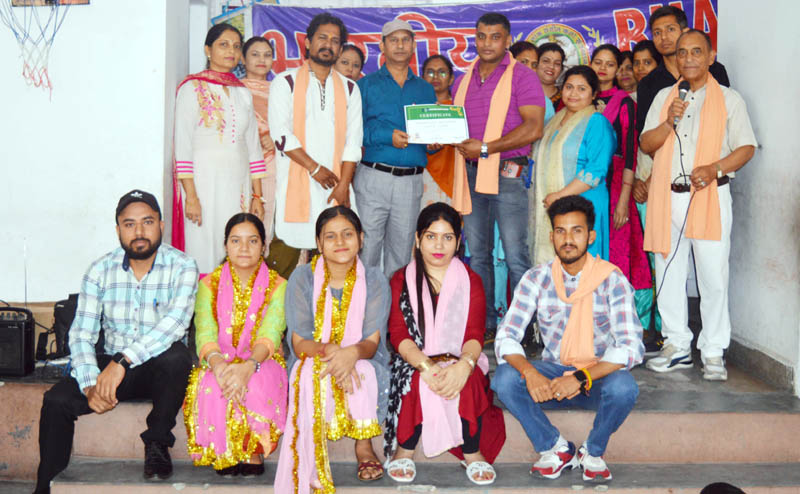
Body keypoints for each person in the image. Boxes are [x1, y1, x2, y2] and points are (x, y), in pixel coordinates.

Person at [34, 190, 198, 494]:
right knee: (55, 401)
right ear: (118, 229)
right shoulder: (100, 269)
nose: (139, 232)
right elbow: (81, 333)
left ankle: (158, 442)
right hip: (111, 369)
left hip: (158, 371)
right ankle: (45, 487)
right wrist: (89, 384)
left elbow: (174, 325)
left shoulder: (183, 266)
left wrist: (122, 361)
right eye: (129, 224)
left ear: (161, 224)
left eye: (147, 222)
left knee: (178, 356)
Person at [492, 195, 643, 483]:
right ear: (551, 237)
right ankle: (555, 447)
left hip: (595, 380)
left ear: (591, 236)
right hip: (551, 382)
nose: (568, 239)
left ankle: (593, 452)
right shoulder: (537, 278)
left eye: (577, 231)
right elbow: (506, 337)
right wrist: (530, 373)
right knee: (504, 378)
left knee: (624, 387)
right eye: (561, 231)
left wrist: (582, 377)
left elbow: (630, 347)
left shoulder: (612, 280)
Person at [640, 30, 757, 380]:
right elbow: (647, 144)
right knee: (669, 274)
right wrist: (669, 120)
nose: (688, 58)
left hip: (710, 194)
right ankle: (677, 346)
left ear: (710, 57)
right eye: (681, 53)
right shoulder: (665, 96)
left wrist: (716, 168)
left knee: (713, 277)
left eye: (696, 52)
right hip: (667, 198)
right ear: (675, 59)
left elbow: (746, 147)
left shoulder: (729, 99)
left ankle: (713, 350)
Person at [383, 203, 505, 486]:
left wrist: (464, 365)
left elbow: (475, 333)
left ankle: (472, 453)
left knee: (471, 378)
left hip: (458, 356)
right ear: (417, 239)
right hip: (415, 359)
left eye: (448, 237)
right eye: (431, 236)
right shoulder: (402, 279)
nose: (439, 245)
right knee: (414, 380)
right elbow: (398, 334)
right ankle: (406, 449)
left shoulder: (471, 280)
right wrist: (425, 366)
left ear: (459, 241)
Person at [274, 206, 391, 492]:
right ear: (318, 243)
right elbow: (300, 343)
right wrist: (335, 352)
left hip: (364, 357)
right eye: (330, 236)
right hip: (314, 355)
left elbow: (371, 342)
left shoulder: (375, 280)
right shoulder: (301, 279)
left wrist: (350, 354)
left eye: (348, 234)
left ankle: (364, 446)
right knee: (311, 370)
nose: (340, 243)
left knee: (362, 369)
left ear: (361, 239)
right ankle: (312, 450)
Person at [450, 12, 546, 334]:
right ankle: (487, 325)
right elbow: (456, 129)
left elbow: (533, 128)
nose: (487, 43)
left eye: (494, 37)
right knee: (478, 256)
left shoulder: (522, 76)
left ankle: (523, 329)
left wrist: (488, 148)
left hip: (507, 175)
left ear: (507, 40)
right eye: (481, 36)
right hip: (471, 174)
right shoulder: (462, 80)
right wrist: (441, 137)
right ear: (474, 39)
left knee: (517, 256)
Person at [184, 213, 288, 476]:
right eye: (236, 241)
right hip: (219, 358)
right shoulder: (208, 285)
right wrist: (218, 365)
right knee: (209, 383)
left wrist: (249, 365)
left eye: (252, 241)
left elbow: (272, 331)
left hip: (263, 358)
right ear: (225, 245)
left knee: (258, 381)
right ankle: (224, 449)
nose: (244, 248)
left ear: (263, 246)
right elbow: (204, 331)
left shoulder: (279, 285)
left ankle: (252, 448)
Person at [268, 13, 363, 279]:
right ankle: (277, 320)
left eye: (335, 41)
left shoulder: (350, 89)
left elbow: (353, 142)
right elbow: (281, 135)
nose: (328, 44)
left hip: (336, 187)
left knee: (336, 261)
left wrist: (344, 185)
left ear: (340, 49)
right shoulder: (284, 82)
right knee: (283, 263)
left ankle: (330, 320)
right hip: (296, 184)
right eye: (322, 37)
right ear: (308, 43)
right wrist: (314, 168)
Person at [173, 23, 266, 274]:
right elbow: (182, 146)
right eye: (223, 45)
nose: (231, 51)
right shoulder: (191, 88)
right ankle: (204, 309)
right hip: (203, 183)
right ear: (207, 49)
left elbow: (253, 148)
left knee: (236, 241)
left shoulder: (242, 93)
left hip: (238, 183)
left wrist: (258, 197)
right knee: (203, 245)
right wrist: (190, 196)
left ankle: (232, 308)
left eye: (236, 46)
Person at [355, 19, 438, 279]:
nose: (400, 45)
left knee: (401, 255)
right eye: (394, 40)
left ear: (414, 46)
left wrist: (434, 144)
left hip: (410, 182)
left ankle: (394, 318)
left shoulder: (425, 89)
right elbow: (354, 132)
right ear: (382, 45)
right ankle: (364, 315)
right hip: (373, 178)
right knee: (366, 250)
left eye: (405, 40)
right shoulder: (365, 86)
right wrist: (385, 136)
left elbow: (429, 134)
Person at [530, 65, 615, 266]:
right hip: (553, 203)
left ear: (594, 94)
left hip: (585, 203)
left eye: (581, 88)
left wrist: (560, 196)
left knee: (583, 264)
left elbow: (596, 170)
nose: (573, 93)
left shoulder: (597, 122)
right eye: (569, 87)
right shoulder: (553, 122)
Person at [590, 45, 652, 310]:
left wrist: (624, 199)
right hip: (583, 188)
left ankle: (622, 316)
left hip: (615, 187)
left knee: (619, 249)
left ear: (617, 70)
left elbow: (629, 155)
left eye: (610, 64)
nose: (603, 68)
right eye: (598, 62)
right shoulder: (576, 96)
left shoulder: (624, 102)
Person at [635, 5, 730, 137]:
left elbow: (726, 117)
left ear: (685, 32)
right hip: (665, 154)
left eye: (670, 29)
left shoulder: (714, 70)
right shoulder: (648, 83)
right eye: (657, 32)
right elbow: (645, 135)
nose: (663, 37)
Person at [241, 36, 278, 249]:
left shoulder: (281, 91)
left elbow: (292, 126)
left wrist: (275, 137)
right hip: (242, 163)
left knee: (265, 219)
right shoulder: (235, 90)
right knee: (241, 218)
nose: (261, 59)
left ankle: (261, 275)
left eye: (267, 55)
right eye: (255, 54)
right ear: (243, 60)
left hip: (272, 163)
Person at [420, 54, 456, 208]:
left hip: (454, 176)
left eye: (442, 72)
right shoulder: (415, 109)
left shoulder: (459, 108)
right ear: (422, 78)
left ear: (451, 79)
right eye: (430, 72)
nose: (435, 76)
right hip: (422, 176)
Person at [512, 40, 555, 122]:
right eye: (524, 62)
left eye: (534, 65)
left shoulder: (545, 103)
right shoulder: (495, 92)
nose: (529, 69)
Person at [536, 42, 566, 109]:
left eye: (557, 63)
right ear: (536, 64)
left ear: (561, 69)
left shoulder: (566, 99)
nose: (551, 66)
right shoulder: (523, 94)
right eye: (546, 61)